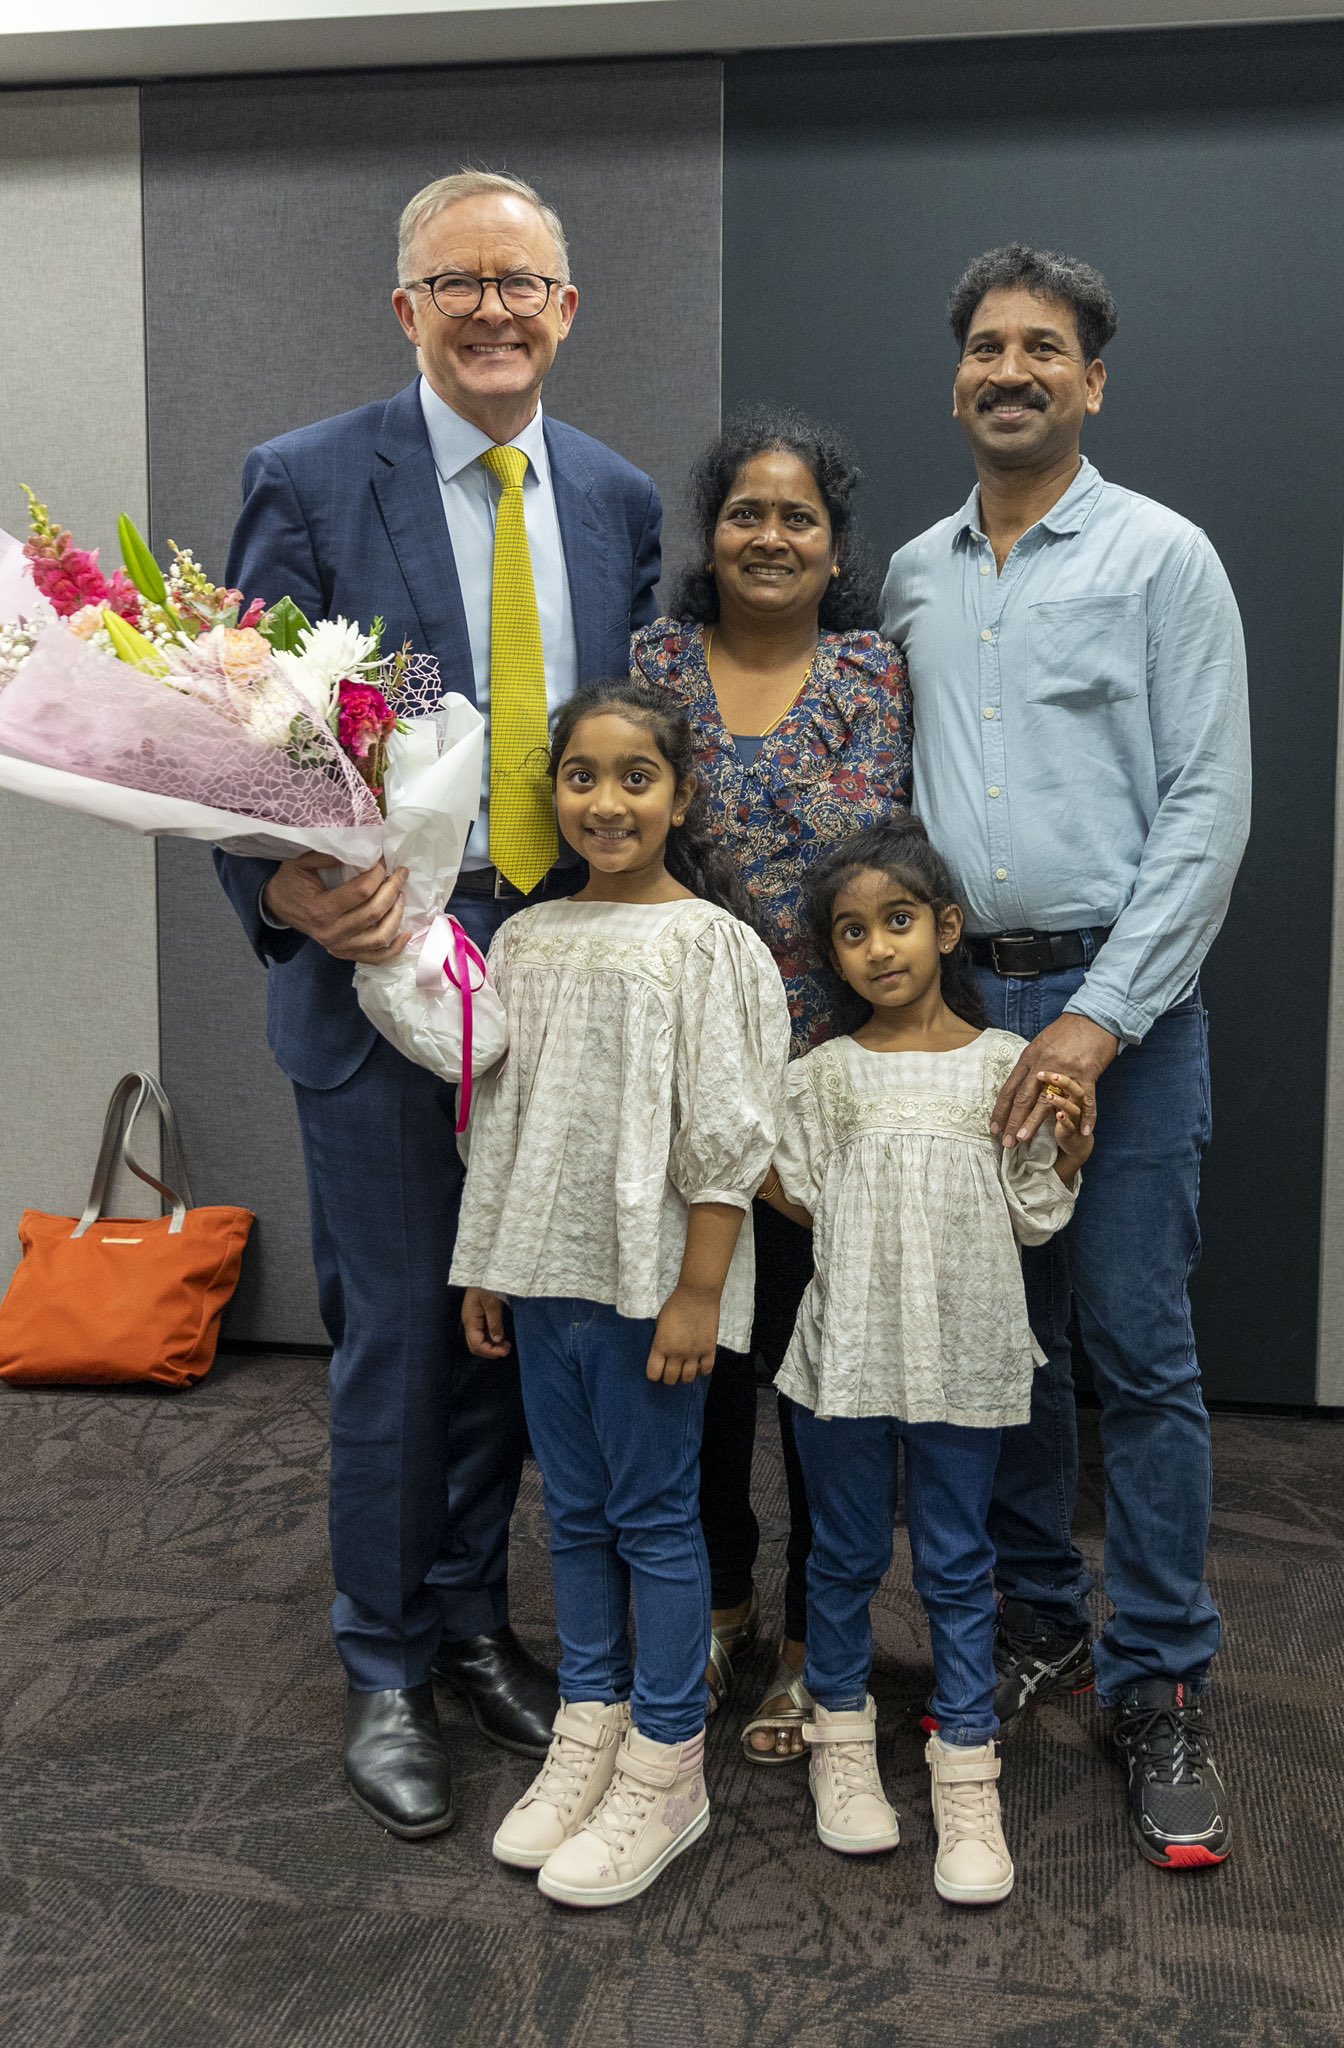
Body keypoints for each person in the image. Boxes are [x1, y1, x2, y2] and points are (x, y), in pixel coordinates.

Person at [214, 170, 663, 1841]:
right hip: (378, 971)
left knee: (511, 1331)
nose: (493, 307)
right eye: (457, 280)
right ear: (406, 308)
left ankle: (476, 1619)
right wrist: (279, 887)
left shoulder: (616, 498)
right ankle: (386, 1659)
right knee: (401, 1334)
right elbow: (228, 725)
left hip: (552, 988)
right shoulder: (313, 477)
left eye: (523, 281)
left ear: (566, 309)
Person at [880, 243, 1250, 1869]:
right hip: (963, 1014)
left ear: (1092, 380)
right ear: (955, 378)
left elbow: (1207, 810)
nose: (1008, 368)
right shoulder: (909, 574)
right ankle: (1043, 1614)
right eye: (983, 345)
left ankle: (1162, 1673)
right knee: (1005, 1346)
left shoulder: (1165, 560)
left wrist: (1097, 1026)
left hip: (1129, 1011)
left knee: (1137, 1352)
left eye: (1042, 346)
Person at [455, 678, 790, 1906]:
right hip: (544, 1274)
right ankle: (587, 1719)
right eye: (582, 776)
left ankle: (666, 1756)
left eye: (635, 776)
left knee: (656, 1518)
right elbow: (500, 1116)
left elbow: (731, 1135)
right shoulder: (528, 940)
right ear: (554, 796)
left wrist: (702, 1290)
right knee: (579, 1512)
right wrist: (488, 1260)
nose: (607, 800)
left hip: (653, 1288)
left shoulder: (711, 944)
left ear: (680, 793)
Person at [632, 409, 911, 1764]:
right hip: (684, 1085)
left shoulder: (872, 672)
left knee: (814, 1379)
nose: (770, 534)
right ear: (711, 530)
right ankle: (720, 1605)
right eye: (746, 509)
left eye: (799, 515)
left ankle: (813, 1643)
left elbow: (890, 872)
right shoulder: (652, 667)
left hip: (823, 1095)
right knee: (698, 1370)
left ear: (834, 544)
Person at [762, 815, 1088, 1901]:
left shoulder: (1008, 1066)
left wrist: (1066, 1146)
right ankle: (842, 1747)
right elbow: (797, 1193)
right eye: (851, 932)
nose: (879, 947)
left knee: (956, 1564)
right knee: (844, 1557)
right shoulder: (822, 1076)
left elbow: (1034, 1216)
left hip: (966, 1356)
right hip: (847, 1355)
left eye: (898, 919)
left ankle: (965, 1778)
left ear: (946, 927)